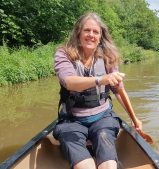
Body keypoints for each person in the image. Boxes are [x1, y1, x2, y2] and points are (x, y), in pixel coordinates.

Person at [53, 12, 142, 169]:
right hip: (71, 120)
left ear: (100, 36)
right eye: (87, 30)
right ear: (78, 32)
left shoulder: (107, 57)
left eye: (95, 32)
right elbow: (68, 82)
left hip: (103, 119)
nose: (91, 35)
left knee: (108, 161)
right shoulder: (63, 54)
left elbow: (119, 91)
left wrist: (135, 120)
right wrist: (100, 80)